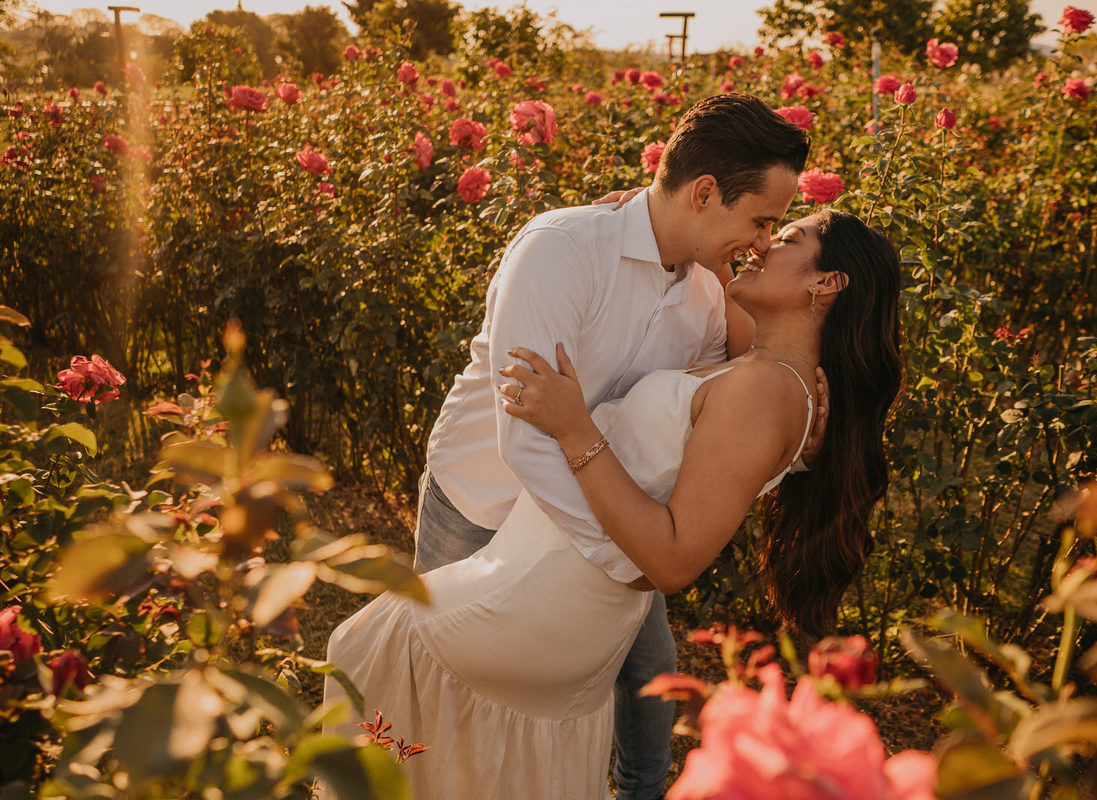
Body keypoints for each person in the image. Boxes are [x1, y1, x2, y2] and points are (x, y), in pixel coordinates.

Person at [323, 209, 904, 799]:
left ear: (826, 282)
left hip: (548, 594)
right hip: (563, 592)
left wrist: (575, 429)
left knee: (368, 651)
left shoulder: (770, 387)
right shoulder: (773, 370)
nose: (759, 246)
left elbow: (674, 562)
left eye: (784, 239)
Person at [408, 92, 815, 800]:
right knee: (456, 688)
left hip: (603, 512)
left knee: (646, 671)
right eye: (760, 221)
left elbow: (728, 396)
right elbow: (525, 442)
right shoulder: (561, 250)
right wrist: (628, 558)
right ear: (705, 192)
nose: (760, 242)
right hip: (482, 503)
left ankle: (641, 791)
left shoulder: (705, 292)